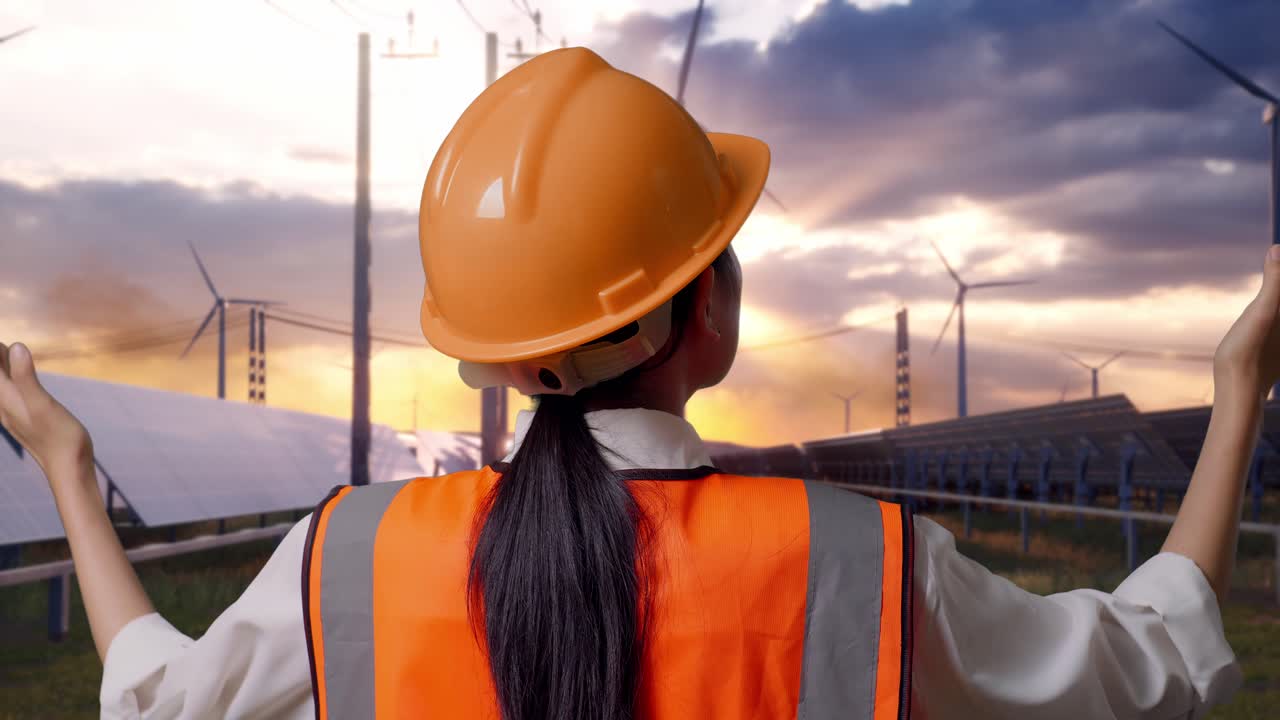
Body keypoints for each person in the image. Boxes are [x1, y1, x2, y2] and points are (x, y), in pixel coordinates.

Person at [0, 46, 1263, 720]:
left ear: (490, 351)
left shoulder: (346, 559)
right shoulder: (860, 563)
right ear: (700, 312)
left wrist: (66, 463)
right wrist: (1235, 389)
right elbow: (1143, 670)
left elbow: (156, 701)